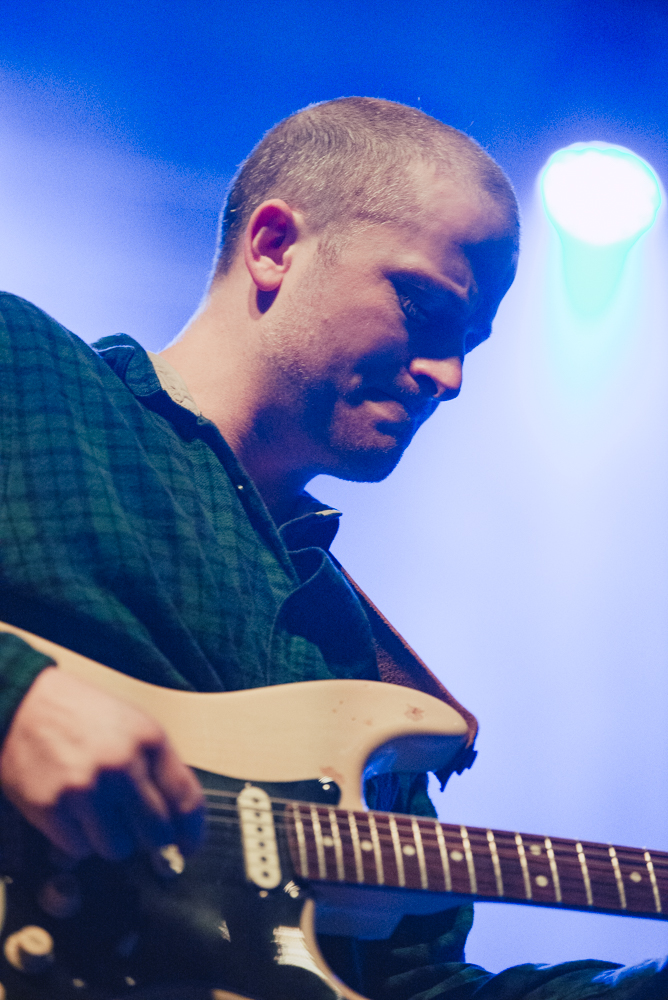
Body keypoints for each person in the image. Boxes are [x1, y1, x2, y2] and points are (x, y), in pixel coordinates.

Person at [0, 97, 665, 998]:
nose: (450, 377)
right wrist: (16, 698)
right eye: (424, 309)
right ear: (275, 246)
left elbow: (408, 985)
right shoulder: (27, 372)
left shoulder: (364, 670)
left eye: (470, 344)